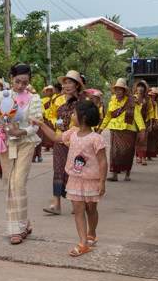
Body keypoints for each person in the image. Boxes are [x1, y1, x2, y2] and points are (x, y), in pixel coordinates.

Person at [33, 100, 107, 257]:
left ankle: (91, 233)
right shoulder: (72, 133)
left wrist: (102, 181)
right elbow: (55, 137)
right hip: (74, 179)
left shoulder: (96, 138)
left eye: (74, 113)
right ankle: (83, 242)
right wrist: (41, 124)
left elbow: (102, 161)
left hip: (91, 181)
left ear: (84, 117)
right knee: (79, 210)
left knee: (91, 209)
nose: (72, 115)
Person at [0, 64, 43, 245]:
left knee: (18, 182)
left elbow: (36, 125)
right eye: (17, 81)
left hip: (26, 142)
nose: (20, 85)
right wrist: (5, 127)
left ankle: (17, 230)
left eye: (25, 82)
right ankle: (24, 223)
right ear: (11, 78)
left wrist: (22, 132)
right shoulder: (0, 96)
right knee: (8, 183)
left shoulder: (34, 98)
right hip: (6, 142)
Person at [44, 70, 83, 215]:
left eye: (70, 82)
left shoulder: (82, 101)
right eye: (64, 82)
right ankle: (56, 203)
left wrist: (72, 129)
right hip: (60, 139)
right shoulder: (57, 99)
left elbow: (84, 119)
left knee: (75, 171)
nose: (66, 85)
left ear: (77, 85)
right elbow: (50, 115)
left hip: (76, 140)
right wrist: (57, 123)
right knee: (58, 170)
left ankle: (76, 203)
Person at [98, 78, 145, 182]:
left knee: (128, 152)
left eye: (120, 89)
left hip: (129, 130)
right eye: (116, 89)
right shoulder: (112, 101)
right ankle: (114, 174)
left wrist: (142, 130)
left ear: (124, 91)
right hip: (115, 130)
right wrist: (100, 129)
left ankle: (127, 173)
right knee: (114, 153)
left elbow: (137, 116)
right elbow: (107, 117)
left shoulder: (131, 101)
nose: (118, 91)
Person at [133, 80, 155, 165]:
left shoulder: (148, 99)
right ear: (136, 88)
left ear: (145, 89)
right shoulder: (133, 98)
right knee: (137, 140)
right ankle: (138, 156)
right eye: (139, 86)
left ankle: (143, 158)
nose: (141, 88)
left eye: (142, 87)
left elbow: (151, 112)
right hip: (135, 123)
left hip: (145, 122)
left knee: (144, 140)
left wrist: (151, 124)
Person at [40, 85, 56, 152]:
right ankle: (47, 146)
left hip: (53, 118)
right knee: (45, 134)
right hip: (45, 118)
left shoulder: (55, 98)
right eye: (47, 91)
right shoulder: (43, 100)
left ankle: (53, 146)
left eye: (50, 91)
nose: (48, 92)